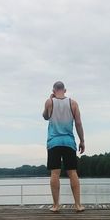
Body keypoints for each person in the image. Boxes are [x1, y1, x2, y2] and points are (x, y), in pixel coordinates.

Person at [42, 81, 85, 212]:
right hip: (69, 142)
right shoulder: (73, 103)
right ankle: (78, 205)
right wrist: (82, 141)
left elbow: (45, 116)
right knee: (72, 172)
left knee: (55, 172)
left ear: (53, 90)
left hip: (54, 142)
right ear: (65, 90)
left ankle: (56, 205)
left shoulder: (49, 102)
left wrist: (50, 99)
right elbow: (78, 123)